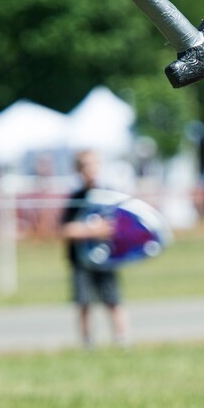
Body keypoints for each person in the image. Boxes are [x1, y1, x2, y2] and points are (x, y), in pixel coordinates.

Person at [60, 149, 128, 349]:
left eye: (94, 165)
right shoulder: (76, 198)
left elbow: (118, 226)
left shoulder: (108, 195)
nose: (91, 170)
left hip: (106, 258)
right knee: (83, 302)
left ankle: (122, 339)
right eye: (86, 166)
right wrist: (92, 230)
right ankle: (86, 342)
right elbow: (67, 229)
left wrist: (101, 230)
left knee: (113, 300)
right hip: (81, 260)